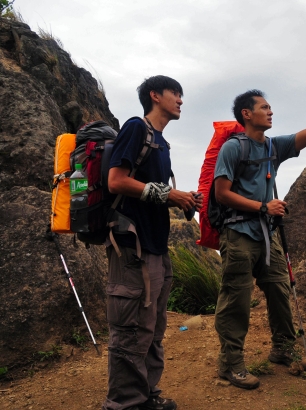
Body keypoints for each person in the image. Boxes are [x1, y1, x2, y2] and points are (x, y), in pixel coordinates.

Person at [213, 69, 306, 389]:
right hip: (238, 234)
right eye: (264, 107)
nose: (271, 111)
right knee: (237, 298)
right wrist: (264, 207)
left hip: (267, 234)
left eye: (270, 107)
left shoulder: (274, 147)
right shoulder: (234, 148)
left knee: (278, 289)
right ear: (246, 114)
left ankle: (283, 348)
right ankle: (231, 363)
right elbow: (222, 193)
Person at [103, 75, 203, 410]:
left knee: (152, 328)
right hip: (133, 248)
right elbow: (116, 181)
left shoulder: (161, 143)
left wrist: (180, 199)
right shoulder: (136, 128)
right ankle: (124, 404)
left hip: (155, 248)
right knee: (132, 329)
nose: (180, 100)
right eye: (176, 93)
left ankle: (145, 395)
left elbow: (151, 192)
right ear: (155, 95)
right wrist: (168, 193)